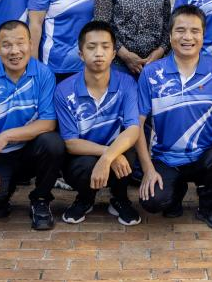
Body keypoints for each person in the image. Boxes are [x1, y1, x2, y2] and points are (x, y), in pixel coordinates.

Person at [136, 6, 212, 231]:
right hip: (165, 158)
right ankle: (176, 191)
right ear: (170, 35)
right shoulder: (151, 73)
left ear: (203, 36)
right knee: (152, 201)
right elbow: (138, 124)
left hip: (205, 155)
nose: (188, 37)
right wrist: (148, 169)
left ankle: (209, 208)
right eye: (180, 30)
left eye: (195, 31)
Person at [0, 20, 65, 231]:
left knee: (53, 143)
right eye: (7, 45)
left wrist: (6, 136)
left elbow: (48, 122)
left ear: (31, 44)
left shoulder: (44, 74)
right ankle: (5, 192)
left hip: (30, 149)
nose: (14, 51)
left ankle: (40, 199)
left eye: (20, 43)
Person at [54, 21, 144, 226]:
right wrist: (108, 155)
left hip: (117, 151)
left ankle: (120, 198)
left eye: (105, 47)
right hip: (83, 157)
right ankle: (85, 199)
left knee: (127, 151)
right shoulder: (64, 90)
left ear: (113, 54)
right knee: (85, 165)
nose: (99, 53)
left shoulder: (127, 83)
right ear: (81, 54)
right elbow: (71, 143)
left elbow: (132, 128)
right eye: (91, 47)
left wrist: (109, 156)